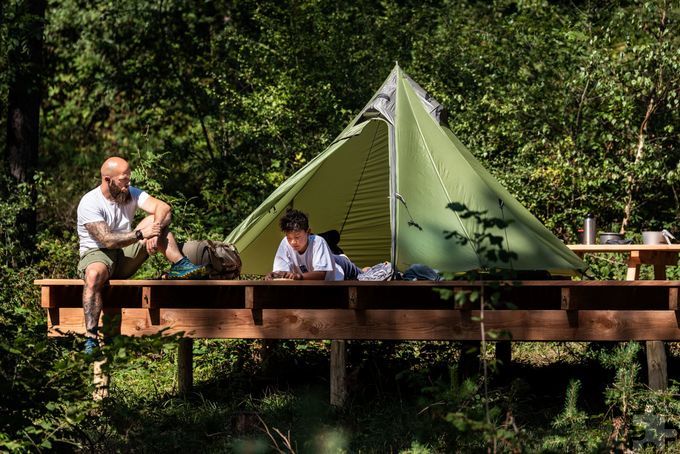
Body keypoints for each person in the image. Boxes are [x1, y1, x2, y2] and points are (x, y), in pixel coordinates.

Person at [77, 157, 204, 352]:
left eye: (129, 179)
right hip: (98, 253)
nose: (128, 184)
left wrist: (155, 230)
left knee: (158, 220)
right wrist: (140, 234)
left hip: (124, 253)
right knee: (94, 275)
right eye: (123, 180)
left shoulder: (130, 192)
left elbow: (165, 208)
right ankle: (91, 337)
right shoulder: (90, 202)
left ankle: (181, 265)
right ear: (107, 180)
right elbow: (107, 240)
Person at [265, 209, 362, 281]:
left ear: (308, 232)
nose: (293, 242)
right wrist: (275, 275)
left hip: (342, 268)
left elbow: (321, 274)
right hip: (325, 258)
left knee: (364, 275)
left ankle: (364, 269)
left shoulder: (318, 242)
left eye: (297, 237)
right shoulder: (285, 243)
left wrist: (300, 276)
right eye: (289, 238)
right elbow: (282, 273)